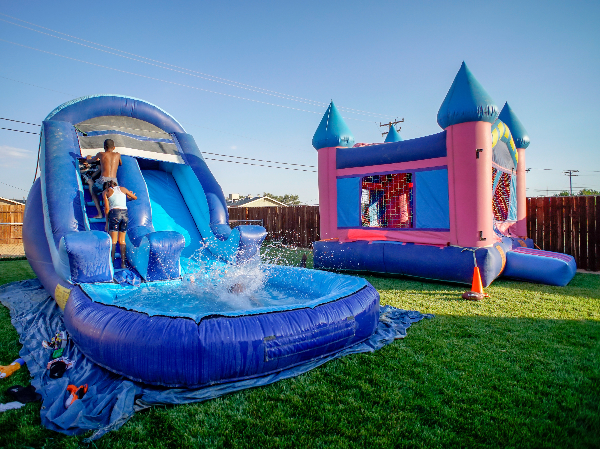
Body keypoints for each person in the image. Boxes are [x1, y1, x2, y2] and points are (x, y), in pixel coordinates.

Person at [102, 180, 137, 269]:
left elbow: (107, 208)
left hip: (114, 214)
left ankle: (111, 263)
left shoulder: (106, 192)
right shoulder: (123, 189)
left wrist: (107, 222)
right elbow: (134, 198)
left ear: (106, 186)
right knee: (122, 240)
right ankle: (123, 264)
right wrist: (129, 196)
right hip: (125, 214)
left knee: (113, 241)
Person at [86, 139, 123, 217]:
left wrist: (88, 157)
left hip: (103, 180)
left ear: (104, 147)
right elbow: (120, 163)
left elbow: (90, 161)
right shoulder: (118, 155)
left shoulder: (101, 154)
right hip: (114, 181)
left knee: (93, 189)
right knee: (111, 195)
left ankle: (99, 213)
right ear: (114, 147)